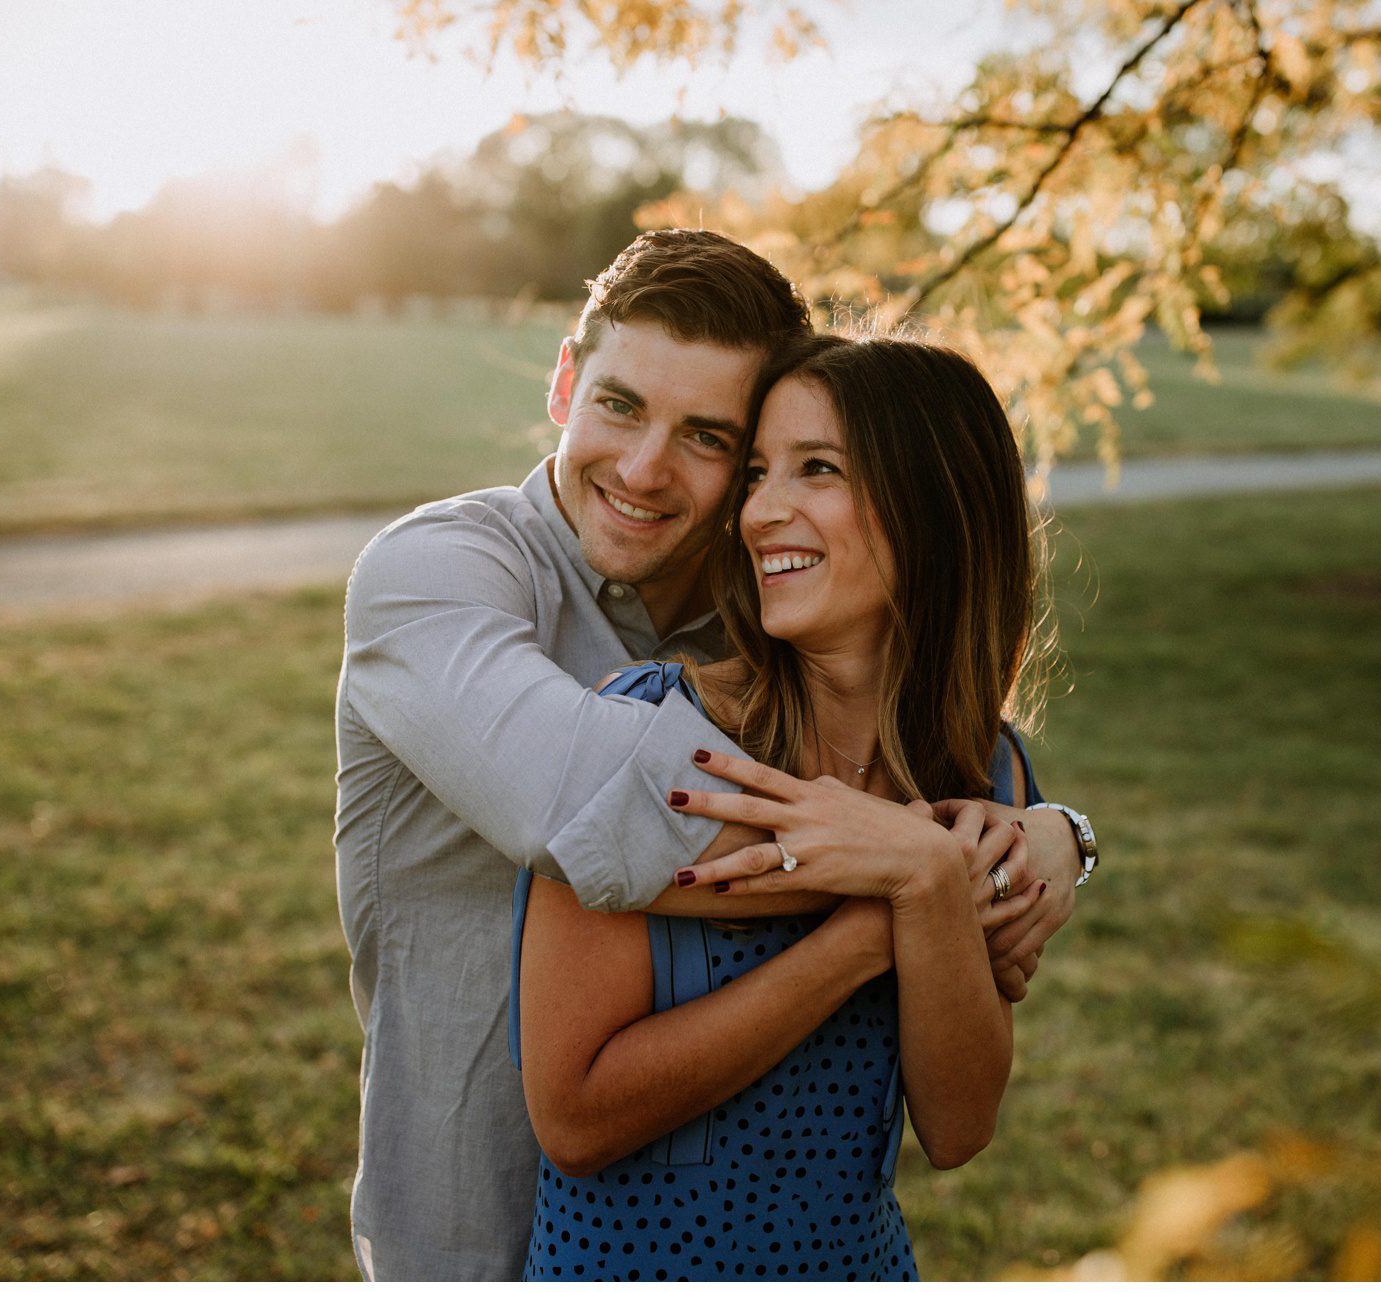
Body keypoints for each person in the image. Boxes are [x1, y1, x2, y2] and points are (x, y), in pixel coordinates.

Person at [333, 230, 1096, 1280]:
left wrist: (1054, 833)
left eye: (706, 437)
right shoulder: (435, 576)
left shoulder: (763, 624)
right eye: (618, 404)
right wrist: (928, 882)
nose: (645, 469)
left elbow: (957, 1114)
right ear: (564, 381)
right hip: (468, 1218)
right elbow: (596, 813)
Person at [513, 331, 1057, 1281]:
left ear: (934, 505)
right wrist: (877, 923)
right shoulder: (651, 732)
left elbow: (961, 1127)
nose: (763, 511)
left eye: (817, 470)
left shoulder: (982, 778)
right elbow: (575, 1118)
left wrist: (937, 868)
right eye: (760, 472)